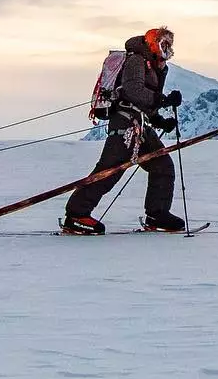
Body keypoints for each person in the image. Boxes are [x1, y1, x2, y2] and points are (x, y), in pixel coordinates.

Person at [61, 27, 185, 234]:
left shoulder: (157, 66)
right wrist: (162, 100)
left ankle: (157, 213)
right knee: (111, 169)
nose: (167, 49)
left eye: (169, 45)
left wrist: (160, 120)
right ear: (153, 42)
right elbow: (132, 91)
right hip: (125, 122)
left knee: (162, 165)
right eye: (164, 43)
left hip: (141, 124)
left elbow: (146, 100)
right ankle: (76, 215)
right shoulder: (137, 60)